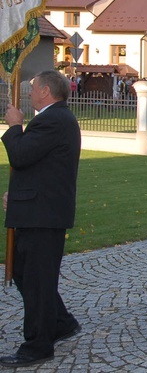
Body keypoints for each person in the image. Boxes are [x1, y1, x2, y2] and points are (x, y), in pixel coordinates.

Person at [1, 70, 82, 367]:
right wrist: (18, 194)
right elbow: (39, 167)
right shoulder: (56, 119)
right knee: (26, 273)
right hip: (37, 209)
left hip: (43, 216)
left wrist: (14, 126)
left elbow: (20, 155)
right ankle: (60, 322)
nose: (29, 91)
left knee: (37, 280)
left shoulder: (52, 120)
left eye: (33, 87)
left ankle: (38, 345)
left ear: (46, 91)